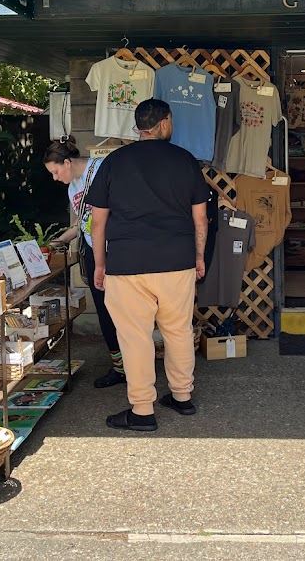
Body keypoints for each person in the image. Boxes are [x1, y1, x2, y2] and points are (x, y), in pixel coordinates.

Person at [86, 99, 210, 432]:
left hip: (127, 263)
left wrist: (100, 264)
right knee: (178, 332)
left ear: (139, 126)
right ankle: (182, 397)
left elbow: (97, 222)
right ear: (165, 123)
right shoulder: (185, 160)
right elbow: (201, 218)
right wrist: (198, 257)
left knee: (135, 337)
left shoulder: (114, 161)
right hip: (176, 261)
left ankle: (142, 411)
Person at [43, 137, 126, 389]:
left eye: (56, 172)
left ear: (67, 162)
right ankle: (119, 367)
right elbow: (83, 223)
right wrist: (59, 239)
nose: (55, 179)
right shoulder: (72, 188)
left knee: (125, 310)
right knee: (103, 310)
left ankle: (135, 365)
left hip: (117, 249)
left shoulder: (101, 168)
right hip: (92, 250)